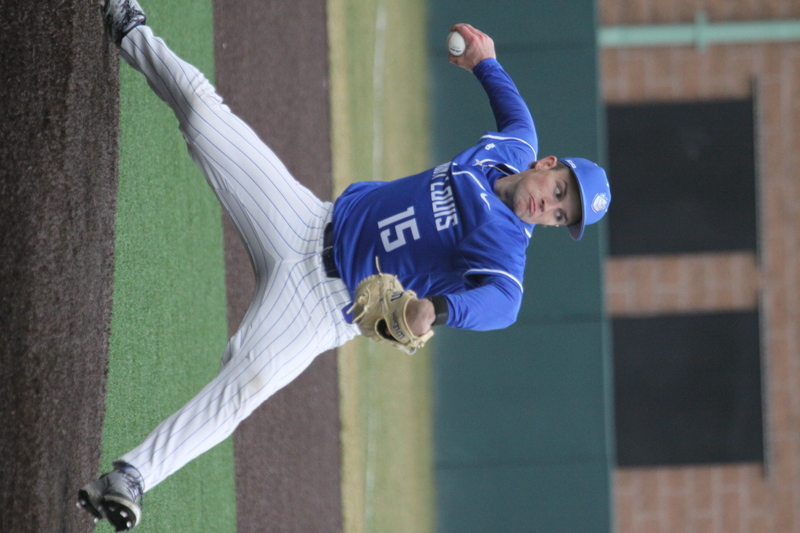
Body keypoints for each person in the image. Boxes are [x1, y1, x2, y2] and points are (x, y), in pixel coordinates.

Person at [78, 1, 611, 531]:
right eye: (559, 190)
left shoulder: (505, 251)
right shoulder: (514, 144)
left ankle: (129, 477)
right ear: (546, 164)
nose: (551, 207)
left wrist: (436, 310)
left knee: (245, 383)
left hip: (320, 306)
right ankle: (129, 26)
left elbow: (504, 305)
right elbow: (514, 109)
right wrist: (484, 61)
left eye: (562, 215)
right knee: (202, 112)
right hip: (304, 220)